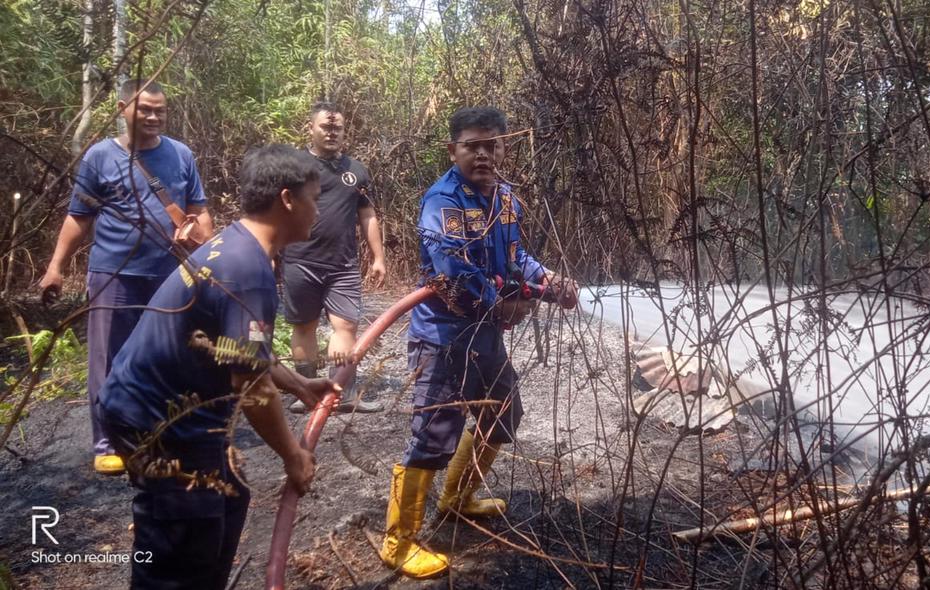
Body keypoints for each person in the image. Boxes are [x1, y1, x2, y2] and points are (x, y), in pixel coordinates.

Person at [98, 145, 338, 589]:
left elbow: (240, 351)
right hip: (158, 421)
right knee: (182, 545)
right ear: (287, 200)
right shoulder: (246, 268)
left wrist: (299, 382)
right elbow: (252, 388)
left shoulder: (235, 243)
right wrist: (293, 457)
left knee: (228, 503)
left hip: (155, 408)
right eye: (314, 198)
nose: (317, 210)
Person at [378, 107, 577, 578]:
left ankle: (458, 498)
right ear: (454, 150)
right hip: (442, 339)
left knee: (502, 414)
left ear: (504, 147)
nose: (484, 154)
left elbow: (516, 255)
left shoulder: (507, 198)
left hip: (485, 336)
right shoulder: (441, 200)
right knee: (433, 435)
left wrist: (546, 278)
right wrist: (500, 304)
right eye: (473, 146)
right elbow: (450, 269)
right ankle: (398, 540)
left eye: (493, 144)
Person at [38, 79, 213, 475]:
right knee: (108, 358)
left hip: (170, 273)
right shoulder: (100, 157)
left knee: (167, 355)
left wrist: (208, 249)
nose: (152, 117)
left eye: (159, 110)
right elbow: (78, 218)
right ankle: (107, 442)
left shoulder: (181, 155)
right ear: (123, 109)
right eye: (144, 109)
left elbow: (198, 210)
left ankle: (159, 434)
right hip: (114, 273)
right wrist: (56, 267)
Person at [281, 101, 386, 413]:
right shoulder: (294, 167)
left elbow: (367, 215)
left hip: (343, 264)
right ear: (310, 128)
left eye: (336, 128)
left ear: (344, 131)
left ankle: (340, 393)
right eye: (325, 127)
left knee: (346, 327)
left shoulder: (356, 171)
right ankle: (306, 393)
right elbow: (278, 209)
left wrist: (378, 257)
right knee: (304, 326)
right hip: (300, 260)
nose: (331, 132)